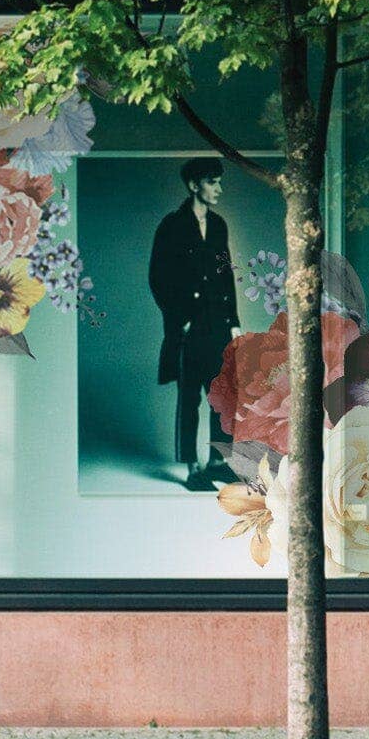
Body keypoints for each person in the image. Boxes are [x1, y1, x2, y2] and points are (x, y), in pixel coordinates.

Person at [150, 157, 241, 490]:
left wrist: (233, 322)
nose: (218, 188)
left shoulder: (219, 225)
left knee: (223, 394)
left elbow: (224, 273)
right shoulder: (172, 225)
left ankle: (218, 461)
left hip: (218, 322)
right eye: (212, 182)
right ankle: (192, 468)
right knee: (189, 397)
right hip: (188, 327)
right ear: (194, 186)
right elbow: (158, 278)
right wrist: (180, 320)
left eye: (219, 181)